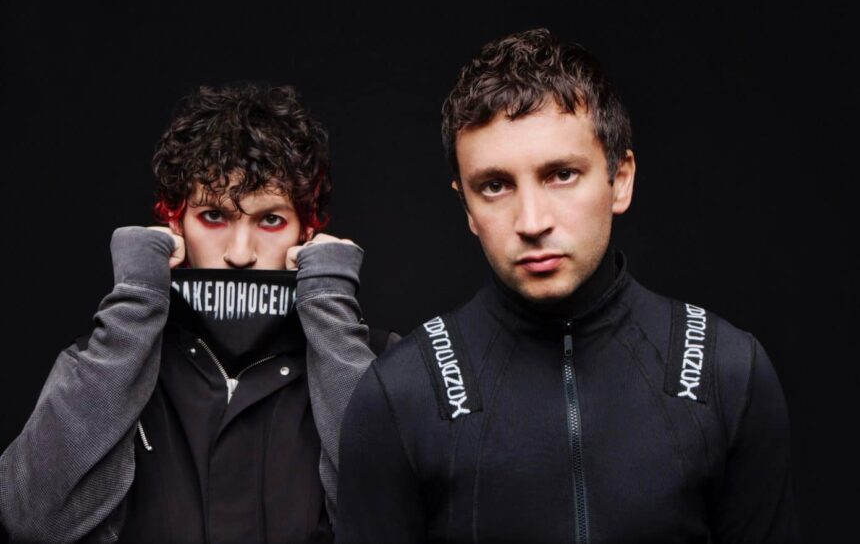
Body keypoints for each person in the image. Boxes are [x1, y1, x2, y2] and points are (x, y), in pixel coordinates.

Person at [336, 28, 798, 543]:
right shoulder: (399, 394)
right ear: (466, 205)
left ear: (620, 179)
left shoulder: (727, 371)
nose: (532, 221)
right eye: (495, 186)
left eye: (561, 174)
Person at [0, 83, 391, 542]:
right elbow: (31, 520)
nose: (240, 253)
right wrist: (135, 301)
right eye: (213, 217)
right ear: (174, 222)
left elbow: (395, 519)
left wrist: (329, 304)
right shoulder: (108, 360)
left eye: (270, 220)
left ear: (306, 231)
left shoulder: (377, 361)